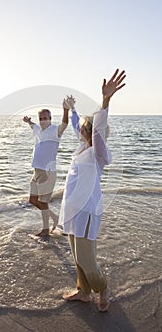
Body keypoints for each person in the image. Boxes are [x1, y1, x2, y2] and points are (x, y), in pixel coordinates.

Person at [59, 69, 126, 312]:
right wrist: (71, 110)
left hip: (86, 211)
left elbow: (96, 128)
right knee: (77, 258)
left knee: (87, 259)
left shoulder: (98, 153)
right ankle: (83, 292)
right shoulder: (81, 147)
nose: (80, 130)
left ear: (90, 133)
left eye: (84, 129)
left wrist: (106, 101)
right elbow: (81, 124)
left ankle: (102, 287)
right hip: (72, 209)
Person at [23, 99, 70, 237]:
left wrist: (65, 110)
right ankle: (56, 219)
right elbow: (33, 126)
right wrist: (28, 122)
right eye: (41, 118)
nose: (43, 120)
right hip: (36, 171)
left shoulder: (55, 131)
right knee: (33, 200)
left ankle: (45, 230)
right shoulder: (38, 129)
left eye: (45, 118)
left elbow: (65, 124)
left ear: (50, 118)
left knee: (43, 202)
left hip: (48, 172)